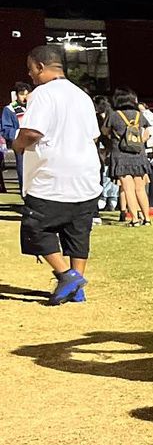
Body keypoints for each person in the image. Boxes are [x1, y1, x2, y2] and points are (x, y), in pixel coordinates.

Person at [12, 45, 101, 304]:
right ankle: (76, 288)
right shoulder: (82, 96)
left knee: (35, 228)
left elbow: (33, 131)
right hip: (86, 175)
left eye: (31, 69)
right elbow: (94, 135)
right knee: (77, 232)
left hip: (51, 177)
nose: (30, 75)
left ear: (40, 67)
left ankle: (66, 276)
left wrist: (17, 144)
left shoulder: (43, 94)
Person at [107, 88, 153, 226]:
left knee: (128, 189)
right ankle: (147, 218)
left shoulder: (114, 115)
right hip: (138, 154)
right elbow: (147, 132)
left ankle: (134, 219)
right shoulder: (139, 115)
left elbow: (105, 131)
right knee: (140, 188)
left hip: (121, 155)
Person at [2, 80, 31, 191]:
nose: (25, 97)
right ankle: (25, 193)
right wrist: (19, 134)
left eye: (27, 94)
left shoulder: (34, 107)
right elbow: (6, 129)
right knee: (23, 169)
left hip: (34, 143)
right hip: (21, 144)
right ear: (16, 95)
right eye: (22, 94)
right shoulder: (9, 110)